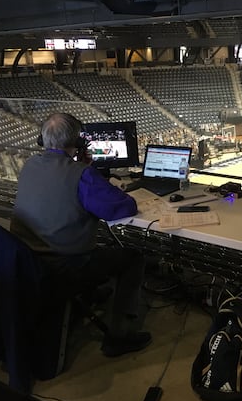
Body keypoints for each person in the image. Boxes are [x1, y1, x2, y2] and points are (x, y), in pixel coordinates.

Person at [10, 112, 151, 357]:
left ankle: (92, 294)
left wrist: (83, 169)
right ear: (79, 143)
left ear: (42, 141)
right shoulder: (82, 175)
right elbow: (122, 207)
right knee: (133, 258)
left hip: (27, 260)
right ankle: (119, 336)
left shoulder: (30, 164)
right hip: (63, 265)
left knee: (87, 238)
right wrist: (87, 172)